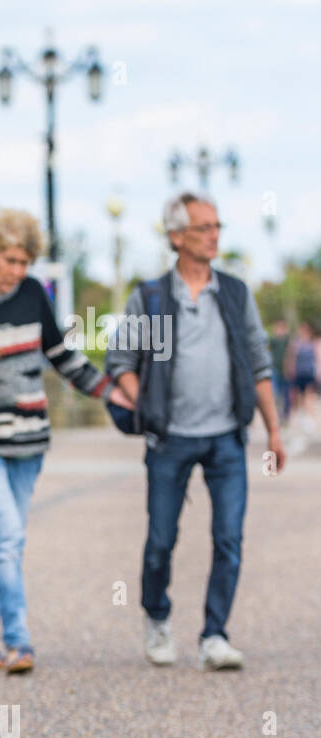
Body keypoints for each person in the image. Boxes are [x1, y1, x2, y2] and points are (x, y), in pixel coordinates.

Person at [0, 209, 129, 674]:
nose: (18, 270)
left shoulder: (33, 292)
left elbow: (61, 356)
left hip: (30, 439)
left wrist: (112, 393)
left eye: (25, 261)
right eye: (9, 260)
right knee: (9, 533)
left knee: (6, 539)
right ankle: (18, 643)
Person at [108, 192, 284, 670]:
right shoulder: (151, 297)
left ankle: (215, 635)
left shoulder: (234, 292)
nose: (214, 235)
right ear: (176, 237)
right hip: (169, 439)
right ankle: (157, 615)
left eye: (217, 226)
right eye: (204, 227)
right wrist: (144, 402)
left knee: (229, 537)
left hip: (227, 436)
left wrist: (274, 431)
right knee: (162, 539)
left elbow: (260, 362)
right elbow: (120, 361)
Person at [285, 320, 318, 428]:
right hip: (298, 373)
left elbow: (317, 358)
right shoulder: (296, 343)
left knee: (309, 396)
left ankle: (309, 418)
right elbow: (291, 358)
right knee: (298, 396)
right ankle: (301, 415)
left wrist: (318, 372)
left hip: (309, 372)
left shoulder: (313, 343)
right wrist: (290, 370)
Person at [267, 319, 291, 427]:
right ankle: (276, 417)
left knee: (285, 395)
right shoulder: (273, 340)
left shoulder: (287, 340)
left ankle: (284, 417)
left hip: (285, 371)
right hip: (275, 370)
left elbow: (290, 354)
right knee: (275, 394)